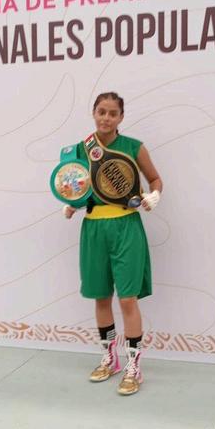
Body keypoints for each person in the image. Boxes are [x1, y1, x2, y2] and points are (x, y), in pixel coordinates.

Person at [63, 91, 162, 396]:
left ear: (121, 117)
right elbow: (74, 186)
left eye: (112, 113)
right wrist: (72, 203)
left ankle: (134, 366)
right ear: (94, 113)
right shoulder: (80, 149)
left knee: (127, 299)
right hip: (93, 227)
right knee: (101, 296)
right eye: (101, 112)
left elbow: (155, 179)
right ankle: (110, 358)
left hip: (126, 226)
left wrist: (154, 195)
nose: (106, 118)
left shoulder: (134, 147)